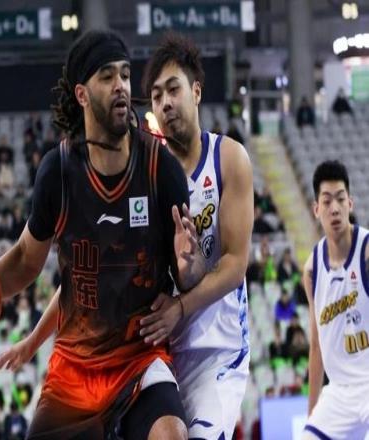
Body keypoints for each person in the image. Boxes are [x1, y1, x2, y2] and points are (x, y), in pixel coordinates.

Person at [0, 30, 203, 439]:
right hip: (76, 366)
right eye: (107, 76)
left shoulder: (160, 168)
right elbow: (25, 261)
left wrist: (189, 263)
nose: (121, 85)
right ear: (82, 94)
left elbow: (189, 278)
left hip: (140, 359)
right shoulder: (58, 173)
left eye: (125, 75)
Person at [140, 33, 253, 440]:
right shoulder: (148, 175)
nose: (165, 103)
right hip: (163, 351)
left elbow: (235, 266)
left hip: (217, 349)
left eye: (173, 89)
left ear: (197, 92)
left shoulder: (229, 158)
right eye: (156, 97)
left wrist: (181, 306)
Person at [302, 160, 369, 439]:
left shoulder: (366, 253)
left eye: (340, 199)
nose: (335, 208)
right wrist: (312, 412)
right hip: (339, 394)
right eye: (327, 201)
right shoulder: (312, 270)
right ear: (316, 209)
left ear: (350, 204)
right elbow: (316, 346)